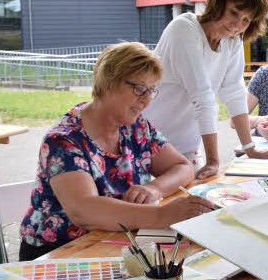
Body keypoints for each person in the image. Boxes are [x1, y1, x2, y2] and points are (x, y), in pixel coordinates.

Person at [19, 42, 213, 261]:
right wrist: (162, 215)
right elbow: (84, 210)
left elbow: (182, 167)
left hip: (112, 241)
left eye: (151, 91)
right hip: (57, 254)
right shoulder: (63, 140)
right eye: (139, 89)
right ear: (108, 82)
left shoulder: (136, 127)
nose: (146, 99)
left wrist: (155, 189)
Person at [144, 0, 268, 180]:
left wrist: (249, 148)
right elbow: (203, 97)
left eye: (246, 20)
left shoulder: (232, 42)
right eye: (234, 12)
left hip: (185, 147)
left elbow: (234, 92)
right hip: (146, 142)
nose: (237, 24)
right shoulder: (184, 29)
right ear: (218, 3)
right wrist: (213, 161)